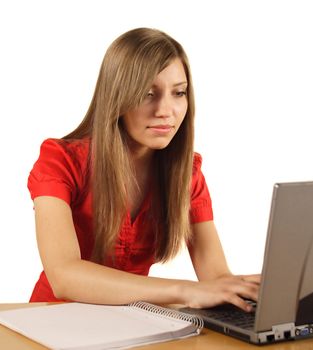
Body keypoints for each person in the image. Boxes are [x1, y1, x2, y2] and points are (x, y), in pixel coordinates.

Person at [27, 27, 260, 311]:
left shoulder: (187, 174)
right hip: (52, 322)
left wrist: (248, 290)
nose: (166, 110)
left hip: (134, 327)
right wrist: (186, 291)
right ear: (118, 98)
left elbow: (215, 278)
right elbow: (64, 275)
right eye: (149, 94)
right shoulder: (60, 161)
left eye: (179, 93)